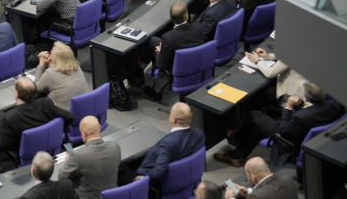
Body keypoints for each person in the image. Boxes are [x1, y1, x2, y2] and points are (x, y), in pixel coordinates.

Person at [215, 82, 345, 166]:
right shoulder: (338, 104)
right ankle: (238, 154)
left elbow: (283, 131)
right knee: (262, 119)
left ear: (307, 96)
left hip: (290, 137)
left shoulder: (301, 117)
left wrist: (288, 106)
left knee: (254, 115)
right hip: (317, 134)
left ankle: (237, 140)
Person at [0, 77, 73, 173]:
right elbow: (69, 117)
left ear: (16, 94)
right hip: (50, 149)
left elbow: (5, 144)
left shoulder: (10, 117)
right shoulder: (46, 103)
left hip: (25, 156)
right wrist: (57, 131)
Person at [142, 2, 206, 100]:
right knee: (155, 41)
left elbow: (162, 64)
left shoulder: (168, 38)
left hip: (178, 71)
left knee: (153, 41)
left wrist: (160, 51)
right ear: (186, 16)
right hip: (199, 66)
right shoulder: (200, 29)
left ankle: (156, 89)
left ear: (171, 18)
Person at [134, 103, 204, 189]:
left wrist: (143, 179)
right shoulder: (200, 134)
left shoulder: (168, 144)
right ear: (190, 118)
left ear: (173, 119)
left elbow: (158, 173)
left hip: (152, 177)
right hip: (186, 176)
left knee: (123, 175)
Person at [61, 115, 122, 199]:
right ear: (99, 128)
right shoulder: (115, 146)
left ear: (84, 133)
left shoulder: (78, 155)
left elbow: (62, 177)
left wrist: (68, 161)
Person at [224, 157, 298, 199]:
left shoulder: (256, 197)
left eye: (247, 175)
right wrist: (249, 191)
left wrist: (231, 198)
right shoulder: (287, 177)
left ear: (253, 177)